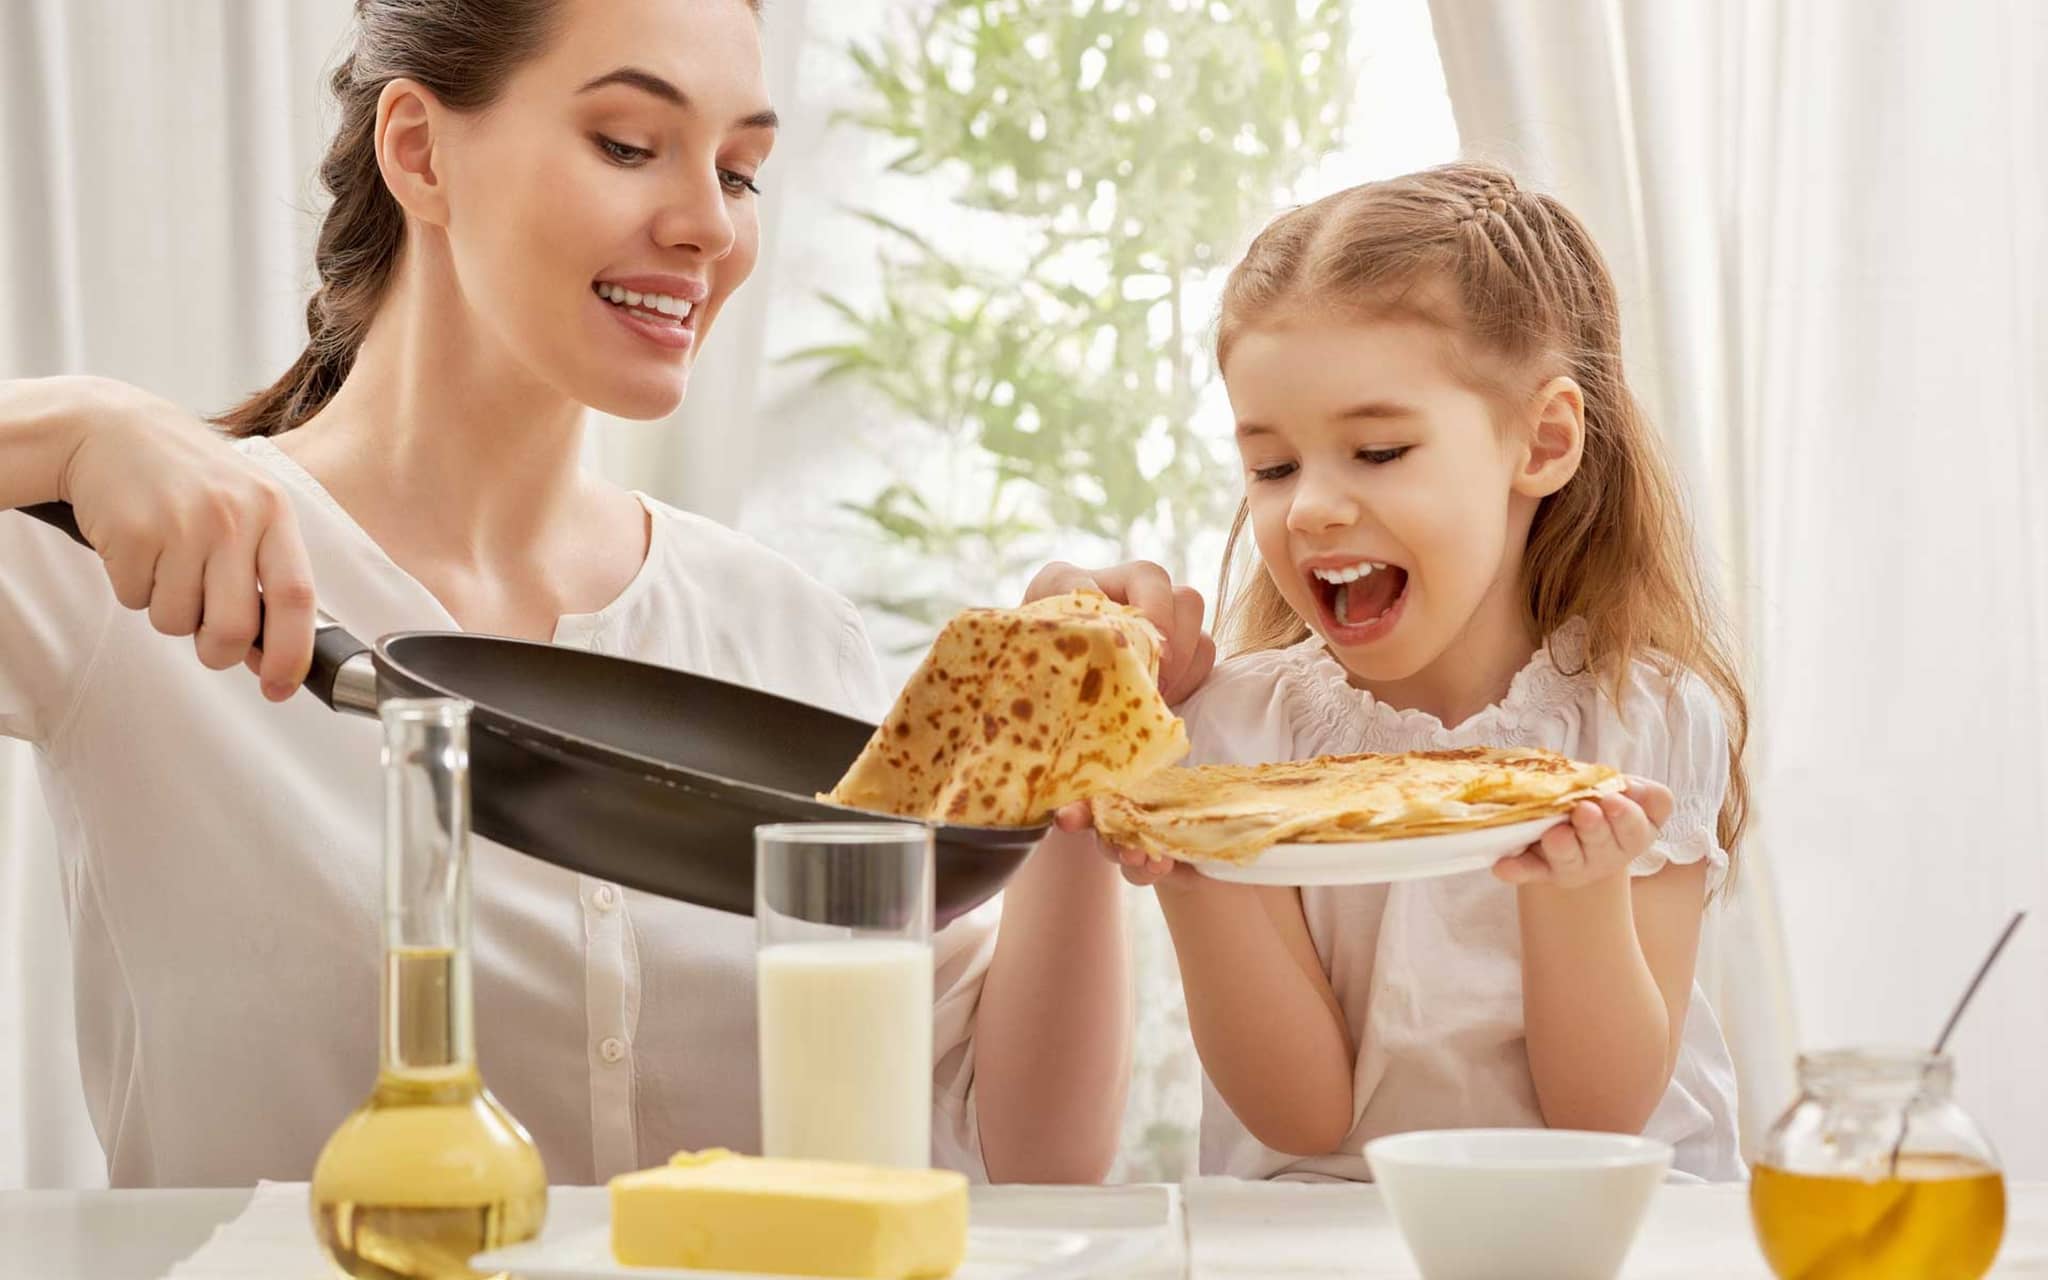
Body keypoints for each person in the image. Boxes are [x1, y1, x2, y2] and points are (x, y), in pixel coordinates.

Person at [0, 0, 1209, 1187]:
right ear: (421, 150)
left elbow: (1024, 1153)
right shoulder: (130, 576)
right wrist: (75, 430)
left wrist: (1058, 747)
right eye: (629, 145)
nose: (707, 228)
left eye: (738, 172)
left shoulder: (786, 638)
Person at [1095, 163, 1748, 1182]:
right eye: (1271, 466)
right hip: (1325, 1225)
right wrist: (1193, 872)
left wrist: (1576, 892)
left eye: (1378, 449)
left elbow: (1600, 1120)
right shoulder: (1236, 736)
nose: (1307, 506)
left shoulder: (1641, 720)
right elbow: (1299, 1117)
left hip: (1593, 1223)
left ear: (1540, 441)